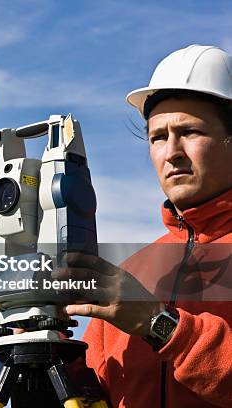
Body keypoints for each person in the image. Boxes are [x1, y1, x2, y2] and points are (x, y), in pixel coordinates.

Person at [59, 45, 232, 407]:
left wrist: (158, 323)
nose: (172, 152)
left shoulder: (131, 292)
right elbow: (96, 397)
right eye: (158, 137)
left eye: (190, 132)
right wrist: (53, 347)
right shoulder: (132, 273)